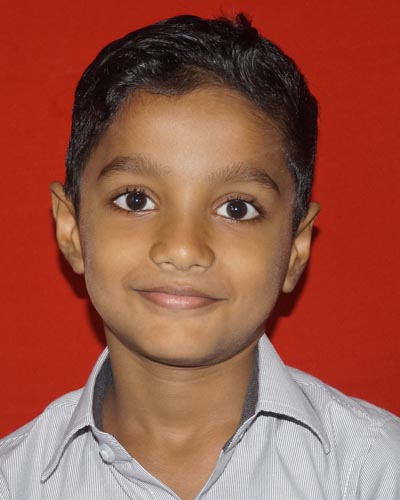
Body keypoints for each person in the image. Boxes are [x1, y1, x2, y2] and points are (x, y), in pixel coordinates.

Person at [0, 13, 399, 500]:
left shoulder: (375, 473)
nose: (183, 248)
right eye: (136, 200)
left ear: (295, 248)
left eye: (237, 208)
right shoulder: (15, 482)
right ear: (71, 230)